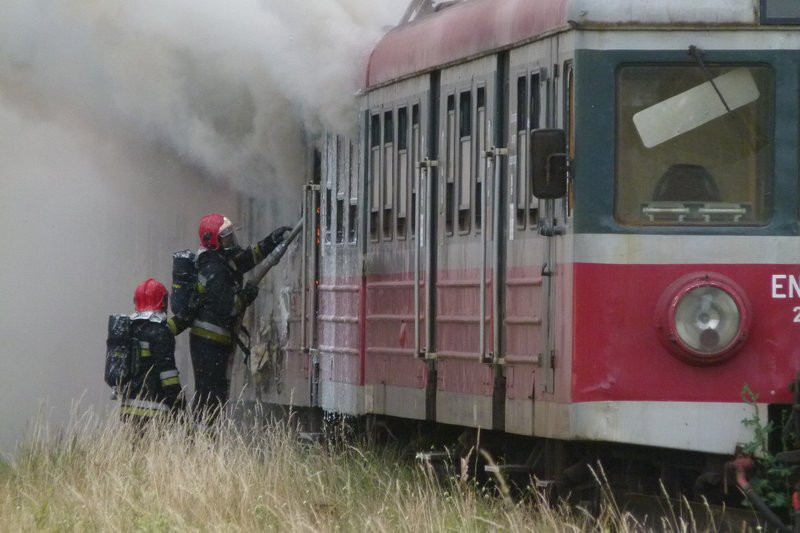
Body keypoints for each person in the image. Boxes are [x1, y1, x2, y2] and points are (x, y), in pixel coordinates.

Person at [168, 213, 290, 422]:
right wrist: (247, 295)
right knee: (210, 396)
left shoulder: (221, 259)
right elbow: (230, 308)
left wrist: (271, 241)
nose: (231, 241)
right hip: (207, 344)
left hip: (216, 343)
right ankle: (202, 437)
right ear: (212, 241)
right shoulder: (212, 268)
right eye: (226, 237)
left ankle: (206, 435)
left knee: (217, 396)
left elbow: (246, 258)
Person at [120, 278, 183, 424]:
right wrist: (179, 405)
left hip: (127, 409)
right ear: (161, 301)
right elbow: (168, 376)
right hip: (154, 410)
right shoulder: (159, 332)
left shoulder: (129, 329)